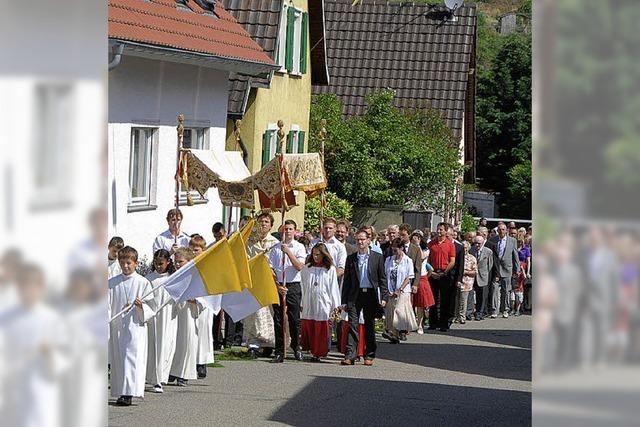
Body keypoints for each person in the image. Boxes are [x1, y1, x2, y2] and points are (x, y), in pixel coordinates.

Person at [108, 246, 156, 406]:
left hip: (135, 327)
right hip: (118, 327)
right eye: (122, 263)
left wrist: (140, 306)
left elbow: (152, 307)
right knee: (119, 359)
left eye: (129, 263)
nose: (125, 266)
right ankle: (121, 390)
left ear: (135, 263)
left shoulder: (142, 283)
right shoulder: (112, 283)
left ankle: (128, 393)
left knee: (131, 358)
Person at [341, 229, 388, 366]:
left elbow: (382, 279)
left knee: (369, 325)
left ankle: (369, 354)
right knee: (353, 325)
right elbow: (347, 281)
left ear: (369, 240)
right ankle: (351, 355)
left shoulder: (377, 257)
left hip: (371, 295)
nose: (360, 242)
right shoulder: (351, 258)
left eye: (363, 239)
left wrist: (384, 297)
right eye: (358, 240)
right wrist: (344, 301)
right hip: (355, 295)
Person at [268, 220, 307, 363]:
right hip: (279, 285)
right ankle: (279, 350)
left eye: (290, 229)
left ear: (295, 231)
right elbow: (270, 269)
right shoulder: (275, 248)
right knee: (278, 319)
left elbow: (299, 266)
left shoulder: (299, 247)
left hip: (293, 285)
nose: (288, 232)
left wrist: (288, 252)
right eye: (285, 229)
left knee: (294, 318)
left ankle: (296, 347)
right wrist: (277, 285)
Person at [243, 212, 278, 358]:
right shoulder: (251, 241)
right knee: (253, 312)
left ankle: (269, 342)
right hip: (254, 280)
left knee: (268, 312)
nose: (263, 224)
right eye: (261, 221)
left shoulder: (275, 243)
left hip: (268, 280)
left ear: (271, 225)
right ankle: (253, 343)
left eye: (266, 222)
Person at [299, 244, 341, 361]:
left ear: (324, 255)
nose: (316, 257)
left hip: (324, 301)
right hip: (309, 300)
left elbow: (334, 287)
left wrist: (336, 305)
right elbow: (302, 285)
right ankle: (312, 350)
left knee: (321, 327)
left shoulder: (330, 269)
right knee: (311, 325)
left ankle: (319, 352)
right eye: (314, 254)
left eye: (318, 254)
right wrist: (302, 302)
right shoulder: (307, 268)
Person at [168, 248, 201, 386]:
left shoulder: (195, 277)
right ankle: (172, 371)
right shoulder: (173, 277)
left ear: (188, 261)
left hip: (189, 313)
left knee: (187, 343)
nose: (177, 264)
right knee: (174, 342)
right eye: (176, 262)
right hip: (175, 313)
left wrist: (194, 300)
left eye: (181, 262)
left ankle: (184, 374)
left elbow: (203, 297)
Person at [145, 250, 176, 393]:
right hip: (151, 318)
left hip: (167, 318)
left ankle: (160, 378)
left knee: (164, 347)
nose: (158, 266)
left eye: (161, 264)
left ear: (168, 263)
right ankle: (150, 377)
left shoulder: (173, 279)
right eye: (156, 264)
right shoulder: (148, 279)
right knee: (151, 347)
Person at [383, 238, 417, 343]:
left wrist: (400, 289)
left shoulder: (408, 261)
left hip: (403, 291)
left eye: (396, 250)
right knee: (391, 311)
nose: (394, 252)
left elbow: (409, 277)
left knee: (398, 311)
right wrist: (387, 290)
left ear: (401, 248)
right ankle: (394, 335)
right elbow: (385, 274)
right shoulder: (389, 260)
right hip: (391, 290)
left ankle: (395, 334)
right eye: (393, 250)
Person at [189, 235, 214, 379]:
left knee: (203, 334)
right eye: (191, 249)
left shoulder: (208, 266)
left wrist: (199, 299)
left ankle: (202, 363)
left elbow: (210, 287)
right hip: (190, 304)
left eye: (196, 250)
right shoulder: (188, 265)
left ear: (203, 250)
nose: (194, 252)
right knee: (190, 333)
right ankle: (190, 362)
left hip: (204, 304)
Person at [427, 223, 456, 332]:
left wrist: (445, 272)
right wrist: (432, 272)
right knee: (433, 299)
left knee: (445, 300)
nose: (439, 232)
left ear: (446, 231)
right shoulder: (431, 244)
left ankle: (444, 323)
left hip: (445, 274)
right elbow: (427, 259)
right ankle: (433, 323)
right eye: (438, 229)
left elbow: (452, 261)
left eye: (441, 230)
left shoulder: (450, 244)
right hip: (433, 273)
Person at [488, 223, 520, 318]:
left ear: (506, 230)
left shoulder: (512, 241)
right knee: (495, 290)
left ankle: (505, 309)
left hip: (507, 268)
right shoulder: (493, 240)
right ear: (497, 231)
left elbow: (515, 255)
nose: (501, 231)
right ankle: (495, 310)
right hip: (496, 269)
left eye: (503, 229)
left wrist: (517, 269)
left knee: (506, 290)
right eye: (499, 230)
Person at [412, 233, 435, 334]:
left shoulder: (425, 250)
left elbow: (421, 257)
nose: (414, 241)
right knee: (411, 302)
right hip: (412, 277)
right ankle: (410, 323)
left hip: (422, 277)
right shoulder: (410, 249)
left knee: (421, 303)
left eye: (416, 239)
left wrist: (417, 246)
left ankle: (420, 324)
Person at [471, 235, 494, 320]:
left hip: (483, 276)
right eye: (476, 243)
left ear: (483, 243)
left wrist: (485, 273)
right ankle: (470, 312)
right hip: (472, 276)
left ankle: (479, 313)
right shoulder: (471, 250)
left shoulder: (488, 252)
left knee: (482, 296)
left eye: (479, 243)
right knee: (472, 295)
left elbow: (490, 264)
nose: (477, 245)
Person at [456, 241, 478, 324]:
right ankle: (455, 316)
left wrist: (465, 272)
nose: (464, 250)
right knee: (456, 300)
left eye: (466, 248)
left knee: (463, 300)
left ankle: (462, 317)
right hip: (458, 281)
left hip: (467, 282)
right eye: (463, 248)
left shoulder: (472, 258)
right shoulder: (457, 257)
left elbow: (475, 272)